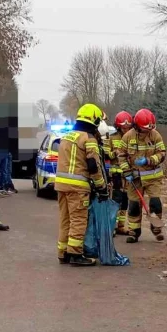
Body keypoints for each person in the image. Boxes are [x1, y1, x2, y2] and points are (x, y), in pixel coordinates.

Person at [56, 103, 108, 266]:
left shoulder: (67, 135)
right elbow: (93, 166)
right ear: (95, 120)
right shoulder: (89, 139)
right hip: (78, 187)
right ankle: (75, 254)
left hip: (61, 186)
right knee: (78, 220)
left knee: (65, 220)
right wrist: (101, 186)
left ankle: (62, 253)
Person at [120, 108, 167, 243]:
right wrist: (127, 171)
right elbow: (121, 156)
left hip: (153, 177)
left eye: (150, 129)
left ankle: (156, 226)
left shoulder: (155, 135)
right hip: (134, 178)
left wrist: (149, 160)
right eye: (146, 129)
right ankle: (134, 231)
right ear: (138, 127)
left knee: (155, 203)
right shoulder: (128, 137)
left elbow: (162, 154)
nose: (148, 132)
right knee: (134, 205)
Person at [107, 111, 133, 234]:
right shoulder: (112, 138)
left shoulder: (132, 138)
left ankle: (121, 226)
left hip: (128, 174)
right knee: (116, 201)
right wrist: (116, 152)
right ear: (118, 127)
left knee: (125, 201)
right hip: (116, 175)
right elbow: (107, 155)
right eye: (123, 128)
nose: (126, 130)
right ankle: (112, 226)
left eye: (128, 128)